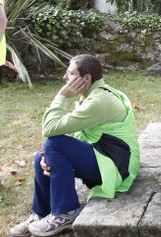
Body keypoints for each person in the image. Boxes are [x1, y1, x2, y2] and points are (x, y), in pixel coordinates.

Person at [9, 54, 139, 237]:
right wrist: (49, 156)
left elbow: (50, 128)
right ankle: (41, 213)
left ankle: (65, 212)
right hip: (105, 155)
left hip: (116, 167)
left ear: (86, 79)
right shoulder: (95, 93)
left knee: (54, 143)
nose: (64, 78)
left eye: (69, 73)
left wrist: (61, 96)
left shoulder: (99, 101)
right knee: (42, 155)